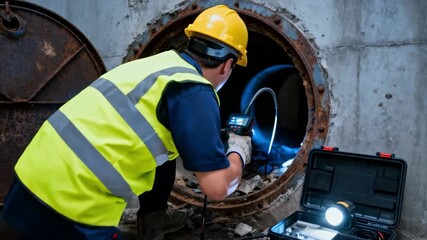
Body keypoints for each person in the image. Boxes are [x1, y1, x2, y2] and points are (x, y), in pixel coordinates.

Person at [2, 4, 252, 240]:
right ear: (228, 64)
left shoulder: (157, 65)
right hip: (72, 205)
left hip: (28, 180)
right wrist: (238, 152)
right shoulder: (195, 92)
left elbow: (155, 135)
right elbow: (217, 188)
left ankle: (153, 219)